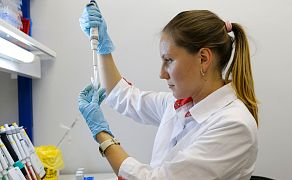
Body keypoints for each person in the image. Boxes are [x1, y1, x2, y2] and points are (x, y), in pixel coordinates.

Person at [78, 2, 258, 180]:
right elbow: (124, 96)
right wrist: (102, 47)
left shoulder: (233, 125)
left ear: (203, 58)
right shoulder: (181, 105)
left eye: (169, 60)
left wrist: (102, 135)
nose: (162, 74)